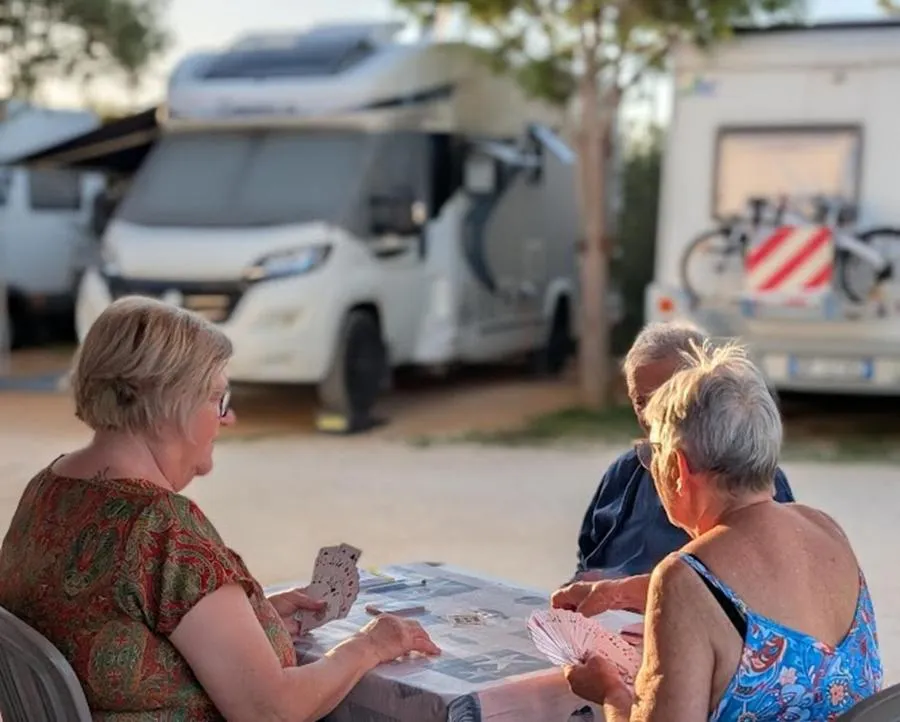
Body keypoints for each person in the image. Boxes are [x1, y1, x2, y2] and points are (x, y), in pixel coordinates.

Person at [0, 296, 440, 722]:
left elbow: (118, 627)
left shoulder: (49, 489)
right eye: (217, 399)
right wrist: (369, 647)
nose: (227, 419)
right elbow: (271, 711)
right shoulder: (162, 527)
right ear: (171, 406)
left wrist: (255, 621)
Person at [554, 340, 882, 721]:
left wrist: (609, 692)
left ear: (676, 468)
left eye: (652, 453)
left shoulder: (687, 580)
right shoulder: (825, 531)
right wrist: (615, 592)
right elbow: (753, 602)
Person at [574, 321, 795, 584]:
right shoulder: (625, 472)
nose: (651, 415)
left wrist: (625, 593)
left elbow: (756, 590)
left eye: (665, 398)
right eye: (640, 401)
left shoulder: (749, 477)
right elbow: (588, 557)